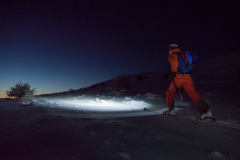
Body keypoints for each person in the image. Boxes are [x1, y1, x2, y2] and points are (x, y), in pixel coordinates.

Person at [163, 43, 212, 120]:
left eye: (169, 49)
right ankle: (207, 111)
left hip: (178, 77)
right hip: (188, 77)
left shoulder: (172, 55)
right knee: (193, 93)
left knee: (170, 92)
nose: (169, 50)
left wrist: (171, 73)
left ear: (171, 49)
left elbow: (175, 67)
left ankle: (171, 110)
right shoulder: (182, 54)